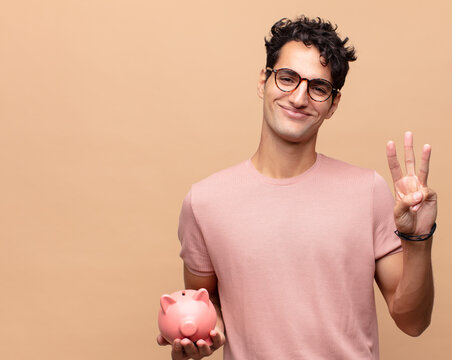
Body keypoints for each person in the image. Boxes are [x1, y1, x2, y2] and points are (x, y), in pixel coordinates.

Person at [157, 16, 437, 360]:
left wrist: (420, 240)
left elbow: (413, 321)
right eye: (287, 78)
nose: (299, 97)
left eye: (318, 88)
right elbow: (206, 301)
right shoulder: (204, 202)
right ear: (264, 81)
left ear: (333, 104)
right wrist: (201, 337)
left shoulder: (368, 191)